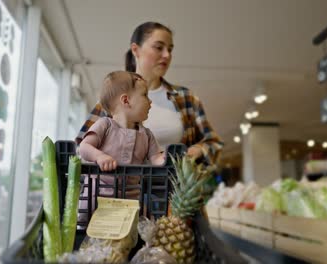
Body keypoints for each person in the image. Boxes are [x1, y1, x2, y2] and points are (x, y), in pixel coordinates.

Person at [76, 21, 223, 165]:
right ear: (136, 50)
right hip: (117, 187)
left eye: (170, 49)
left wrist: (198, 150)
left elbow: (214, 142)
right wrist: (101, 158)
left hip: (172, 187)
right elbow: (80, 150)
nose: (167, 55)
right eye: (159, 47)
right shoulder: (113, 97)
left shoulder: (187, 98)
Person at [79, 71, 165, 200]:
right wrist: (100, 156)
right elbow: (84, 147)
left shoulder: (146, 135)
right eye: (145, 95)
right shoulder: (105, 124)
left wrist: (167, 158)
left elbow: (157, 159)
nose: (150, 101)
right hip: (96, 197)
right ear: (126, 100)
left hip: (130, 199)